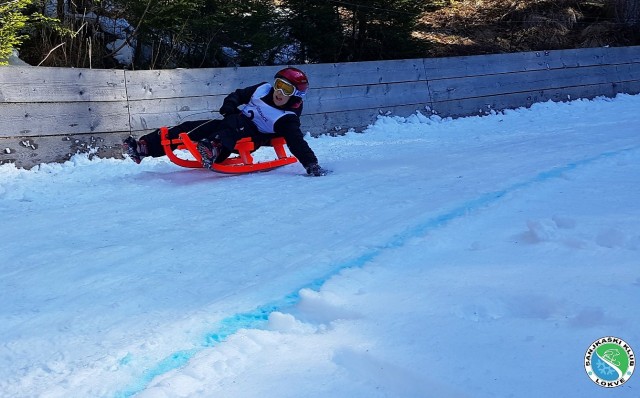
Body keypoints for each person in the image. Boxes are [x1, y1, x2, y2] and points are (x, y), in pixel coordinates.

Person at [122, 67, 329, 176]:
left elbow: (296, 142)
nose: (279, 92)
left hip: (252, 136)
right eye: (279, 85)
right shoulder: (263, 89)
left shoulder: (287, 119)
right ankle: (144, 147)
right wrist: (229, 106)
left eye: (287, 90)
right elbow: (238, 95)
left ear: (296, 96)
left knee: (235, 125)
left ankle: (214, 148)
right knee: (190, 128)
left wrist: (311, 164)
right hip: (232, 122)